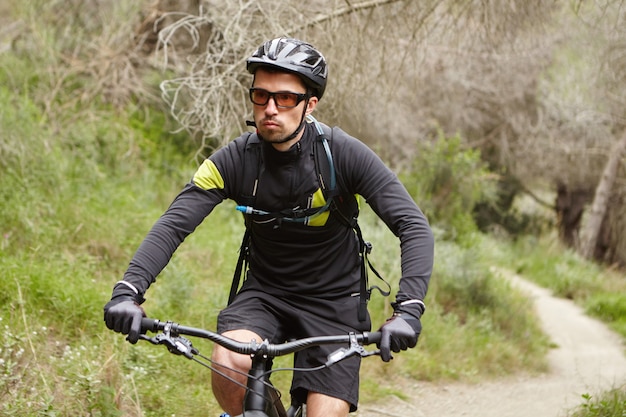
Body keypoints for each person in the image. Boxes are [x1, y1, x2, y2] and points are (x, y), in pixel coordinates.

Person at [104, 37, 434, 417]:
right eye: (260, 96)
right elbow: (173, 225)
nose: (270, 109)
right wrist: (128, 291)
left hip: (335, 302)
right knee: (229, 363)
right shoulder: (233, 160)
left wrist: (408, 309)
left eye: (285, 98)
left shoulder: (343, 154)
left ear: (311, 104)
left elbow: (413, 225)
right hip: (265, 295)